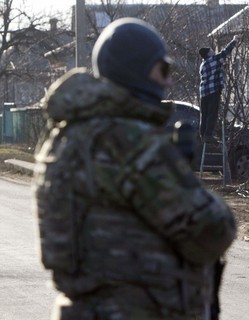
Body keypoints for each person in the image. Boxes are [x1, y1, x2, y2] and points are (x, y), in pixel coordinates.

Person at [33, 18, 236, 320]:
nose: (168, 81)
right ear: (137, 70)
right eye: (163, 69)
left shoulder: (62, 136)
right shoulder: (129, 141)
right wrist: (181, 176)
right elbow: (212, 231)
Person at [198, 35, 238, 143]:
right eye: (211, 51)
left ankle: (203, 134)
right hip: (213, 91)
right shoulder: (212, 60)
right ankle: (209, 135)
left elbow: (217, 68)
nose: (213, 52)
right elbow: (225, 52)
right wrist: (234, 40)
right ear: (208, 54)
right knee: (212, 113)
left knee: (204, 114)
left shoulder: (203, 64)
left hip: (203, 93)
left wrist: (223, 66)